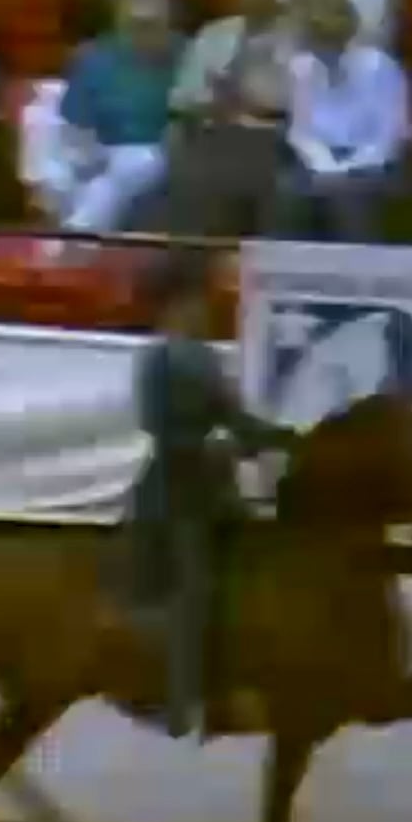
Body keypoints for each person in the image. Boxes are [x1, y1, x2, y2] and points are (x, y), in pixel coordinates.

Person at [128, 252, 300, 740]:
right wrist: (213, 447)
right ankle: (180, 703)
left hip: (213, 488)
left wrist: (283, 437)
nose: (206, 309)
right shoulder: (157, 358)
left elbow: (236, 419)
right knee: (194, 591)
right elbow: (155, 426)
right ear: (174, 305)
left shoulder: (204, 356)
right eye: (197, 301)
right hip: (175, 491)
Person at [270, 0, 410, 243]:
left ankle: (360, 275)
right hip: (319, 163)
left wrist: (346, 170)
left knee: (348, 197)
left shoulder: (379, 66)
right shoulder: (301, 69)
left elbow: (389, 137)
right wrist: (324, 166)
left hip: (377, 164)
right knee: (286, 192)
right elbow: (301, 132)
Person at [160, 0, 298, 237]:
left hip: (270, 135)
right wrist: (210, 104)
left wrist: (248, 101)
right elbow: (182, 95)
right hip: (212, 129)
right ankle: (193, 263)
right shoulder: (214, 33)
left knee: (243, 171)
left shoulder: (296, 38)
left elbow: (296, 101)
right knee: (188, 168)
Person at [52, 0, 182, 233]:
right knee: (58, 161)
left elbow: (188, 112)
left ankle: (78, 234)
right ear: (120, 21)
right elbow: (76, 124)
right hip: (98, 148)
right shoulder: (95, 57)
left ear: (168, 22)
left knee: (131, 167)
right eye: (135, 25)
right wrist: (88, 158)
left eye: (151, 25)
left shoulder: (183, 55)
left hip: (153, 151)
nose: (143, 35)